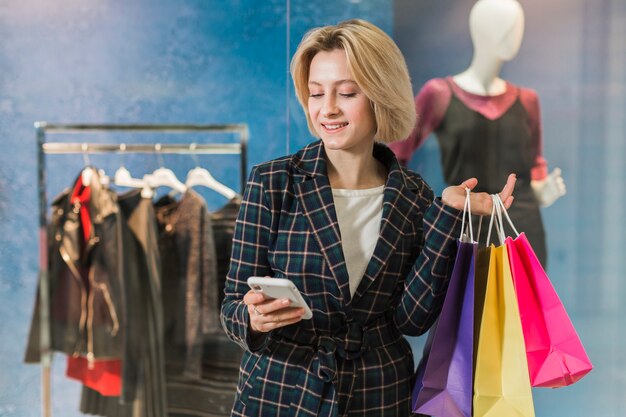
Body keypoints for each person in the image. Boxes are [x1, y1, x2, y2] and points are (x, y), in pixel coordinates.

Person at [220, 19, 515, 417]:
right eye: (316, 93)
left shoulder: (413, 197)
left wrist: (448, 213)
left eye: (347, 92)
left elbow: (412, 320)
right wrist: (253, 317)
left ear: (380, 95)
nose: (328, 109)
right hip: (279, 392)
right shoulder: (273, 182)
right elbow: (231, 307)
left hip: (379, 392)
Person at [389, 0, 565, 267]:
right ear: (478, 29)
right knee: (465, 305)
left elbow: (535, 165)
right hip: (465, 225)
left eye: (516, 25)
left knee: (522, 308)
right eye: (503, 25)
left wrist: (543, 191)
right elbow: (396, 154)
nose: (512, 32)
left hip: (522, 229)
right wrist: (427, 206)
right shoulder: (440, 94)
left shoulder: (527, 100)